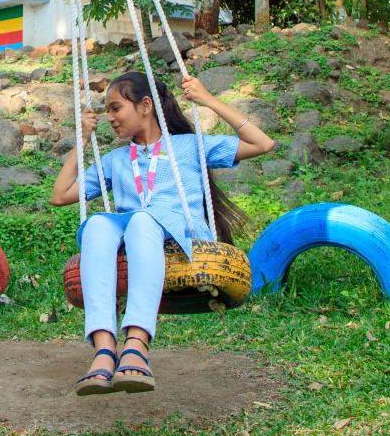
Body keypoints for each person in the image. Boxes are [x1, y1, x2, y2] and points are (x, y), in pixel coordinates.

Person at [49, 71, 273, 396]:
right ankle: (103, 348)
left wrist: (208, 100)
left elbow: (262, 143)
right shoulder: (117, 159)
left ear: (145, 105)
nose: (109, 118)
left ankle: (137, 343)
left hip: (178, 233)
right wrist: (82, 141)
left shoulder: (189, 146)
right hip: (133, 232)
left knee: (142, 220)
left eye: (115, 108)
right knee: (97, 224)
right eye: (107, 111)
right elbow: (61, 196)